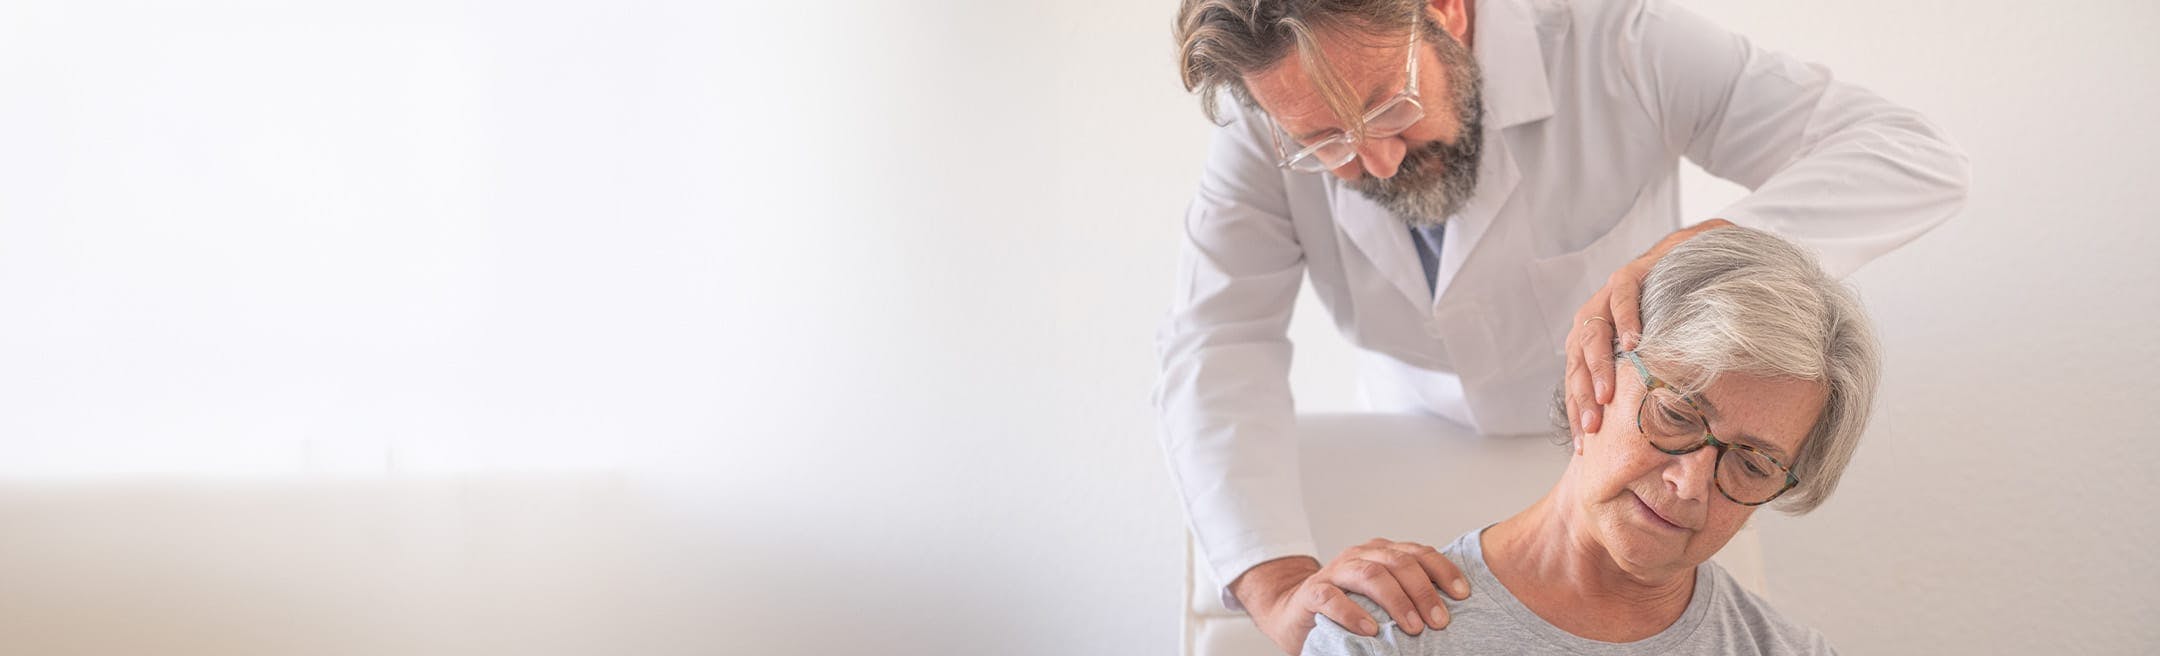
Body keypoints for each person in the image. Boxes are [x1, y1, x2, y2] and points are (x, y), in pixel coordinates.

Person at [1157, 0, 1967, 652]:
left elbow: (1908, 155)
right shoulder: (1267, 124)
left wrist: (1708, 248)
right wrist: (1275, 586)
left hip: (1631, 449)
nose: (1374, 162)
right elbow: (1217, 345)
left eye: (1387, 107)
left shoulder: (1622, 43)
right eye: (1325, 142)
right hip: (1415, 445)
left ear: (1446, 13)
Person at [1298, 225, 1875, 655]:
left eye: (1753, 464)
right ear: (1595, 373)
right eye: (1676, 411)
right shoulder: (1384, 633)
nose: (1690, 482)